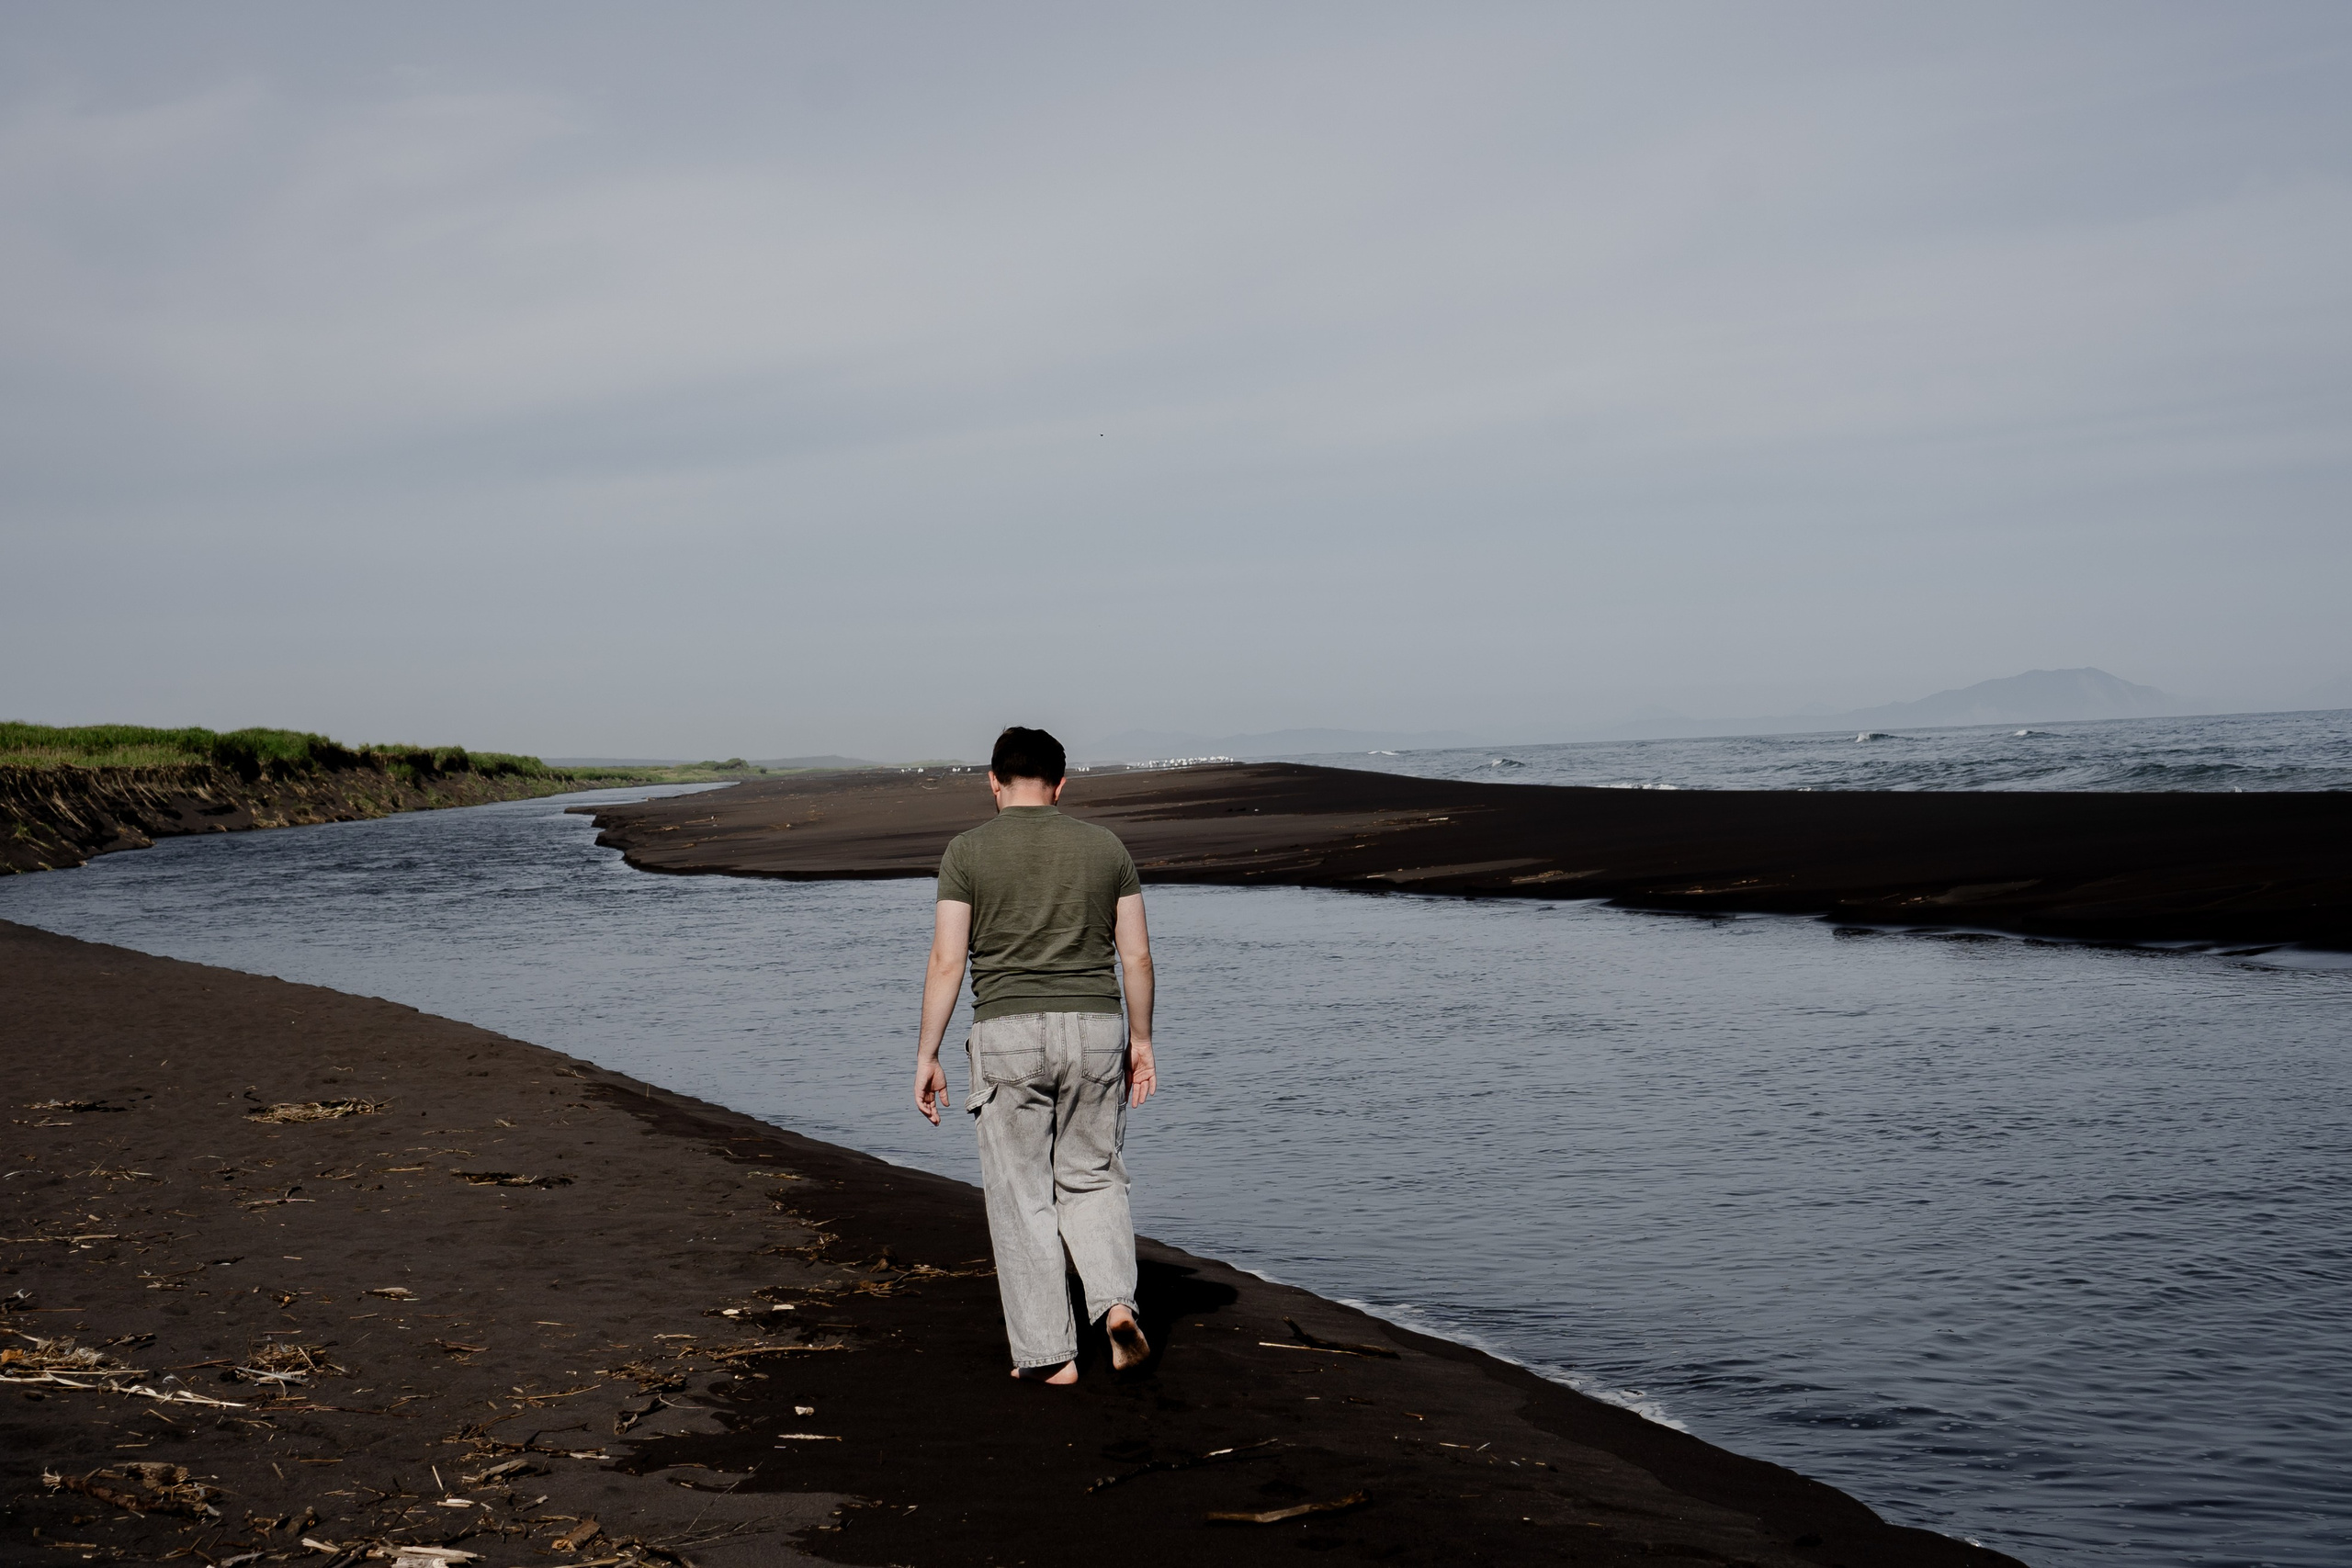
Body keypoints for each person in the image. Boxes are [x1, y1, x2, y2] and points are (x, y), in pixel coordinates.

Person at [912, 726, 1158, 1384]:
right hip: (1097, 1028)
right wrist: (1142, 1042)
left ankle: (1052, 1354)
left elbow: (947, 960)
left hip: (1007, 1032)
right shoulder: (1106, 847)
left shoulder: (966, 852)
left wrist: (927, 1053)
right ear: (1060, 784)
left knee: (1023, 1195)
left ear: (993, 781)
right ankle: (1113, 1305)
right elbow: (1134, 955)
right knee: (1095, 1174)